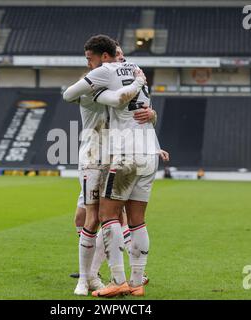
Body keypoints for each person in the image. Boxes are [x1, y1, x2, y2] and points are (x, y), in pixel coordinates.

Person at [63, 34, 165, 297]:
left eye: (122, 55)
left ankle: (113, 279)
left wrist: (151, 114)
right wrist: (140, 84)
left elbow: (135, 107)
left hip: (121, 155)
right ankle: (129, 280)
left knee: (109, 217)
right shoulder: (119, 78)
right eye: (117, 55)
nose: (122, 59)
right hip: (99, 157)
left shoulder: (118, 74)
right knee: (106, 218)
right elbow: (122, 101)